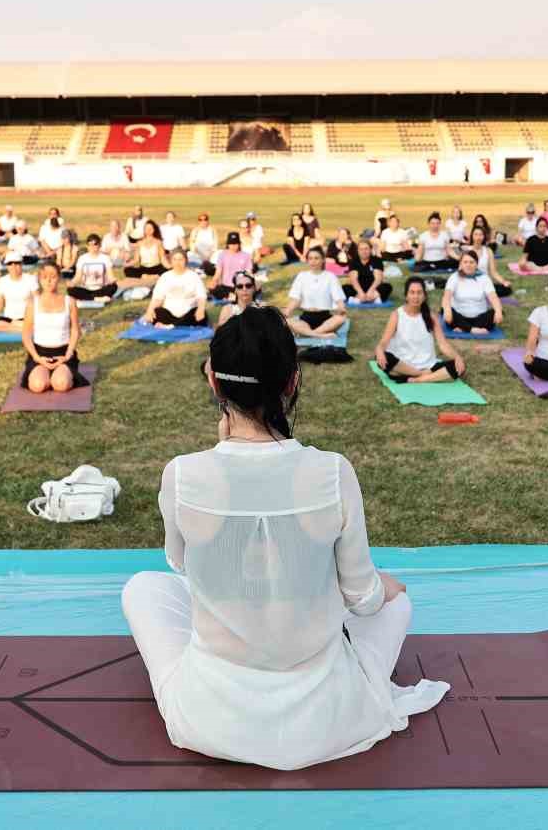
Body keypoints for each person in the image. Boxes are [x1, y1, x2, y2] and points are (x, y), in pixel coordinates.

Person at [121, 305, 446, 771]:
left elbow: (182, 565)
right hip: (325, 719)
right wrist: (380, 588)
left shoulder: (183, 475)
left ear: (213, 381)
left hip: (210, 718)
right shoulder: (332, 472)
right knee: (399, 602)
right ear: (291, 382)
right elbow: (362, 597)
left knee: (143, 588)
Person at [375, 277, 465, 383]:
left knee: (459, 366)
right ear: (406, 295)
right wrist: (379, 350)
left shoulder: (431, 316)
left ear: (424, 295)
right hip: (402, 365)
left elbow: (442, 344)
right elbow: (384, 342)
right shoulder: (397, 315)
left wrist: (457, 357)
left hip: (427, 365)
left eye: (419, 293)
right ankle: (421, 375)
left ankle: (419, 379)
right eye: (412, 292)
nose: (416, 296)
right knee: (382, 357)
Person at [19, 261, 87, 392]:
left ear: (59, 278)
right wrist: (36, 357)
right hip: (40, 353)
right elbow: (26, 334)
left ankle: (61, 375)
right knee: (37, 386)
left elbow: (75, 330)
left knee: (60, 384)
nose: (49, 281)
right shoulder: (33, 303)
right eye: (44, 277)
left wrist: (68, 354)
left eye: (53, 277)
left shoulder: (70, 301)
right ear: (39, 279)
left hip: (63, 352)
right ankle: (45, 374)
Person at [285, 247, 347, 338]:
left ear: (323, 260)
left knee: (341, 318)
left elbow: (338, 298)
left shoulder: (330, 276)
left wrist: (341, 308)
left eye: (316, 258)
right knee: (287, 321)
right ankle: (318, 335)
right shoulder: (302, 276)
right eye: (310, 258)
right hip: (306, 318)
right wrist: (288, 310)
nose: (313, 261)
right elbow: (295, 298)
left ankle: (310, 333)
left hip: (325, 318)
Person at [441, 250, 503, 334]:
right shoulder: (454, 277)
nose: (468, 265)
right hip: (459, 316)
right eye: (465, 262)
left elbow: (493, 297)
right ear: (461, 264)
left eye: (471, 262)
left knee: (495, 312)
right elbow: (446, 297)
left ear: (476, 264)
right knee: (446, 312)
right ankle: (473, 329)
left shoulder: (484, 278)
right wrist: (447, 310)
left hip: (480, 318)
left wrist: (498, 311)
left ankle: (464, 328)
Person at [143, 249, 208, 327]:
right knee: (157, 313)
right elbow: (157, 298)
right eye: (175, 259)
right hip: (169, 314)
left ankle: (170, 326)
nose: (178, 262)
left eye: (180, 259)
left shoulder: (194, 276)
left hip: (188, 313)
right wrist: (150, 311)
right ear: (171, 261)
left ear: (186, 261)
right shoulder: (165, 276)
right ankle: (178, 325)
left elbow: (201, 296)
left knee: (201, 315)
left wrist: (200, 309)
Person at [0, 253, 40, 333]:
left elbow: (38, 300)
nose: (13, 266)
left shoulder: (30, 279)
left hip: (27, 317)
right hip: (9, 319)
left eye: (16, 263)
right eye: (10, 264)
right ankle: (24, 328)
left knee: (33, 323)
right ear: (7, 266)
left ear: (21, 264)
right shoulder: (2, 281)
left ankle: (23, 327)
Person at [65, 233, 117, 301]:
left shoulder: (105, 258)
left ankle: (88, 298)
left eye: (95, 244)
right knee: (70, 290)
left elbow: (110, 275)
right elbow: (78, 277)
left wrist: (113, 280)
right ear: (87, 246)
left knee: (113, 287)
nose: (92, 247)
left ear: (99, 245)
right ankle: (96, 298)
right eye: (90, 244)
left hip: (101, 289)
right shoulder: (82, 258)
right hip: (86, 289)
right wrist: (72, 283)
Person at [342, 238, 393, 304]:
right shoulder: (353, 261)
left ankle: (358, 299)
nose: (364, 251)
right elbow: (353, 279)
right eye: (361, 249)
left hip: (373, 288)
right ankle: (373, 299)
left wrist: (371, 291)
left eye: (366, 249)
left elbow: (378, 279)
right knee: (344, 288)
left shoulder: (377, 260)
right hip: (358, 288)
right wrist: (360, 292)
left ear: (370, 249)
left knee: (387, 287)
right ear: (358, 250)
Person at [208, 232, 255, 301]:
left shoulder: (246, 256)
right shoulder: (222, 255)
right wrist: (214, 281)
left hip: (241, 286)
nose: (233, 246)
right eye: (231, 244)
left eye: (235, 244)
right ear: (228, 244)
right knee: (212, 287)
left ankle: (234, 297)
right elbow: (218, 272)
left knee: (254, 287)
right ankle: (232, 296)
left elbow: (249, 273)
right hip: (225, 286)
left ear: (239, 244)